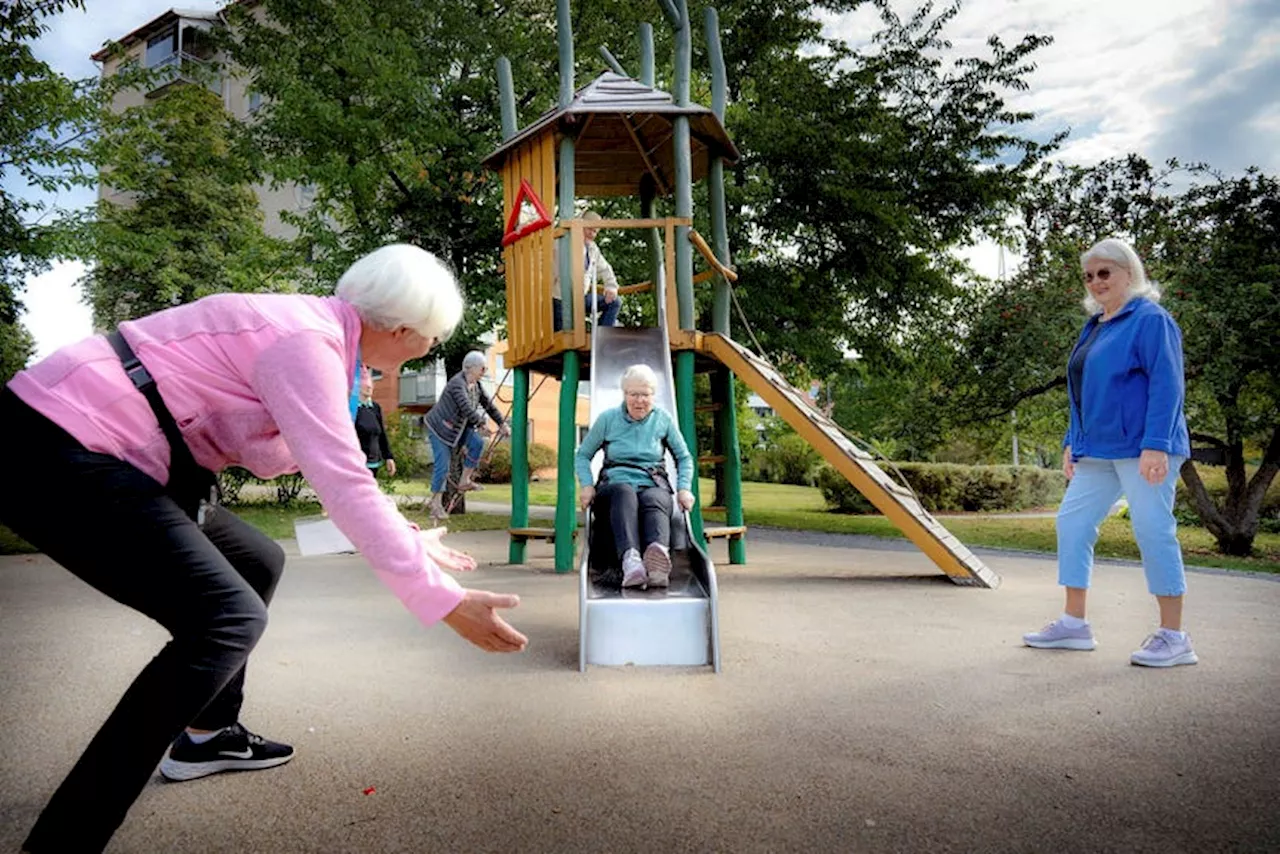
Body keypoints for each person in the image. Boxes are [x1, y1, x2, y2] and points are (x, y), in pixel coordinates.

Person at [0, 244, 528, 854]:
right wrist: (444, 600)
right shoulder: (305, 343)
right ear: (401, 328)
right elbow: (342, 481)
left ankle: (207, 734)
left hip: (101, 454)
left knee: (257, 559)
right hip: (54, 450)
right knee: (224, 621)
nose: (426, 351)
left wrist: (405, 534)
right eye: (427, 340)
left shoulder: (317, 335)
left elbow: (272, 454)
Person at [1023, 237, 1195, 667]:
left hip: (1143, 448)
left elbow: (1167, 384)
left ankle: (1174, 636)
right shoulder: (1097, 325)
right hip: (1096, 450)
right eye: (1089, 276)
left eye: (1104, 273)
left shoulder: (1151, 319)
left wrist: (1156, 444)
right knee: (1072, 523)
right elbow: (1082, 391)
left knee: (1153, 529)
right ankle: (1074, 624)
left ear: (1129, 273)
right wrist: (1072, 441)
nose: (1096, 282)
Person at [575, 364, 695, 589]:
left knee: (656, 498)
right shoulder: (608, 419)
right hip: (614, 486)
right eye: (634, 394)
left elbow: (684, 457)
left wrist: (684, 487)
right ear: (624, 394)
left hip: (651, 481)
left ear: (653, 395)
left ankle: (657, 562)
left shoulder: (663, 420)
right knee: (625, 492)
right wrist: (587, 485)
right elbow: (583, 455)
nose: (639, 400)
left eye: (645, 394)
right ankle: (630, 561)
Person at [425, 350, 510, 520]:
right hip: (439, 428)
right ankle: (435, 504)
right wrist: (480, 423)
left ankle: (465, 479)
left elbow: (489, 406)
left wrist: (502, 423)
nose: (485, 371)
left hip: (458, 428)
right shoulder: (457, 384)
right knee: (443, 465)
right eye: (483, 368)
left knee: (477, 443)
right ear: (470, 368)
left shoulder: (476, 386)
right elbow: (466, 407)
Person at [552, 210, 621, 331]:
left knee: (614, 302)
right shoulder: (561, 242)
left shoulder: (592, 248)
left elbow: (605, 269)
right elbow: (550, 269)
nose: (592, 234)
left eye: (595, 231)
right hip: (560, 299)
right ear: (580, 225)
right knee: (565, 339)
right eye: (589, 229)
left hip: (581, 298)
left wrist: (611, 286)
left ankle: (602, 336)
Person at [354, 365, 397, 479]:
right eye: (365, 383)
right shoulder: (351, 407)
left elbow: (382, 434)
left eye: (371, 383)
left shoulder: (375, 408)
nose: (369, 387)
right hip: (357, 463)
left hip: (374, 463)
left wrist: (388, 457)